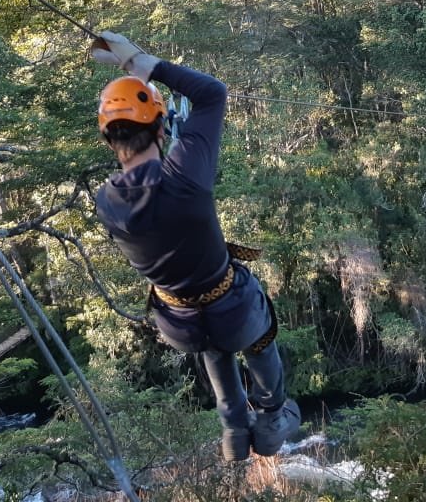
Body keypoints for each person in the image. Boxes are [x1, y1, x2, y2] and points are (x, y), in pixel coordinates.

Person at [90, 31, 301, 462]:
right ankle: (272, 416)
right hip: (232, 305)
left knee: (214, 347)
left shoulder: (105, 202)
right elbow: (211, 94)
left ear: (109, 138)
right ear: (161, 127)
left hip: (178, 321)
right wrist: (140, 62)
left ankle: (234, 433)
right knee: (256, 336)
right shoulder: (183, 176)